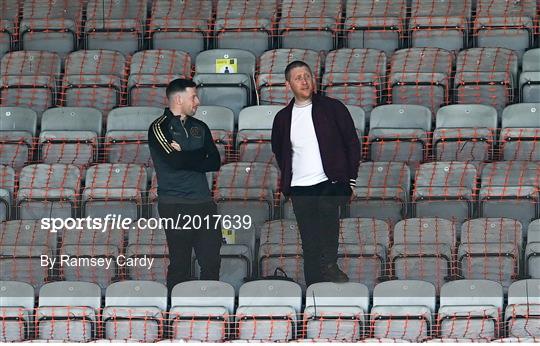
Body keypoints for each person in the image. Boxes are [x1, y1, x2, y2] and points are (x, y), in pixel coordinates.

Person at [271, 61, 361, 286]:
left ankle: (330, 264)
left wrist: (350, 180)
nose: (304, 81)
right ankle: (313, 289)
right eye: (298, 77)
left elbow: (352, 143)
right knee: (309, 242)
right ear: (288, 84)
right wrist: (290, 181)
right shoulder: (283, 118)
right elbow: (279, 150)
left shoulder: (333, 108)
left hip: (331, 181)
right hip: (300, 187)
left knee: (327, 208)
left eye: (307, 76)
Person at [148, 78, 222, 293]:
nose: (197, 101)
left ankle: (210, 312)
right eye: (193, 97)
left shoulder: (200, 127)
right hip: (175, 205)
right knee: (180, 264)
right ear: (179, 99)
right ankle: (176, 317)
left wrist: (185, 154)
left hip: (204, 203)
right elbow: (174, 162)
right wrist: (198, 156)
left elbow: (215, 162)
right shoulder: (159, 128)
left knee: (211, 262)